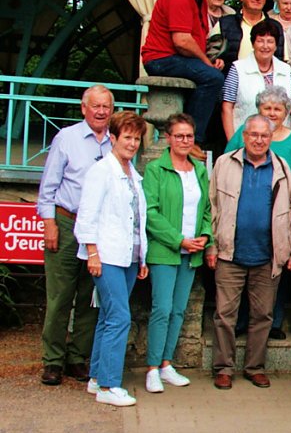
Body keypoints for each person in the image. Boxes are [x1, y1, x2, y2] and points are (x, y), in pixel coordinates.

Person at [208, 115, 291, 390]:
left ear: (271, 138)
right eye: (253, 135)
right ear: (244, 136)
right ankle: (223, 368)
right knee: (225, 314)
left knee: (263, 315)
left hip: (268, 255)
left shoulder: (282, 168)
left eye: (264, 135)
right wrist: (211, 244)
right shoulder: (224, 164)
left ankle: (255, 367)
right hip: (230, 252)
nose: (259, 140)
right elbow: (211, 205)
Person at [38, 85, 114, 387]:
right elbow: (48, 186)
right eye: (95, 106)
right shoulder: (67, 138)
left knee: (89, 297)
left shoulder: (115, 141)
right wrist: (49, 224)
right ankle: (53, 361)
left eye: (106, 106)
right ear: (84, 108)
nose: (100, 111)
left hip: (98, 230)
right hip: (67, 223)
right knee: (59, 297)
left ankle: (77, 358)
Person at [75, 111, 148, 407]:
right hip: (105, 256)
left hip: (128, 256)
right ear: (114, 138)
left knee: (107, 317)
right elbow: (87, 216)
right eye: (127, 137)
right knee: (120, 317)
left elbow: (137, 219)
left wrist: (142, 257)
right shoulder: (101, 171)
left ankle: (95, 378)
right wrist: (92, 253)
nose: (132, 143)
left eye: (136, 138)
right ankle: (109, 385)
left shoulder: (132, 172)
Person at [143, 113, 212, 394]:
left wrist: (205, 236)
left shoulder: (199, 169)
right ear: (168, 138)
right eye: (179, 136)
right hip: (165, 250)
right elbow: (150, 212)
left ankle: (167, 364)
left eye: (189, 136)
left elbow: (206, 208)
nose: (185, 141)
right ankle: (151, 368)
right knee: (161, 309)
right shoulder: (155, 170)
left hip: (191, 251)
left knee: (179, 310)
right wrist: (179, 240)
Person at [141, 0, 225, 154]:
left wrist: (212, 59)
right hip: (161, 58)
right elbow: (182, 41)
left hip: (176, 58)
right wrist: (207, 63)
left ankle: (187, 134)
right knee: (213, 78)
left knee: (214, 76)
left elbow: (196, 41)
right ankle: (194, 140)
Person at [221, 19, 291, 140]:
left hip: (280, 140)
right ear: (253, 44)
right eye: (260, 41)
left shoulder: (286, 70)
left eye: (270, 42)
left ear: (276, 45)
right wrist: (232, 143)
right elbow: (227, 107)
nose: (265, 46)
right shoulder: (238, 68)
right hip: (246, 140)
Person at [226, 87, 291, 171]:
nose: (272, 113)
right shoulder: (245, 130)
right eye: (267, 108)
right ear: (259, 110)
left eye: (277, 109)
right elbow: (226, 162)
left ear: (286, 113)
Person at [219, 0, 285, 75]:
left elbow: (281, 61)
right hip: (231, 83)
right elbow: (212, 56)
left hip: (266, 85)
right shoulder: (225, 23)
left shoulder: (275, 27)